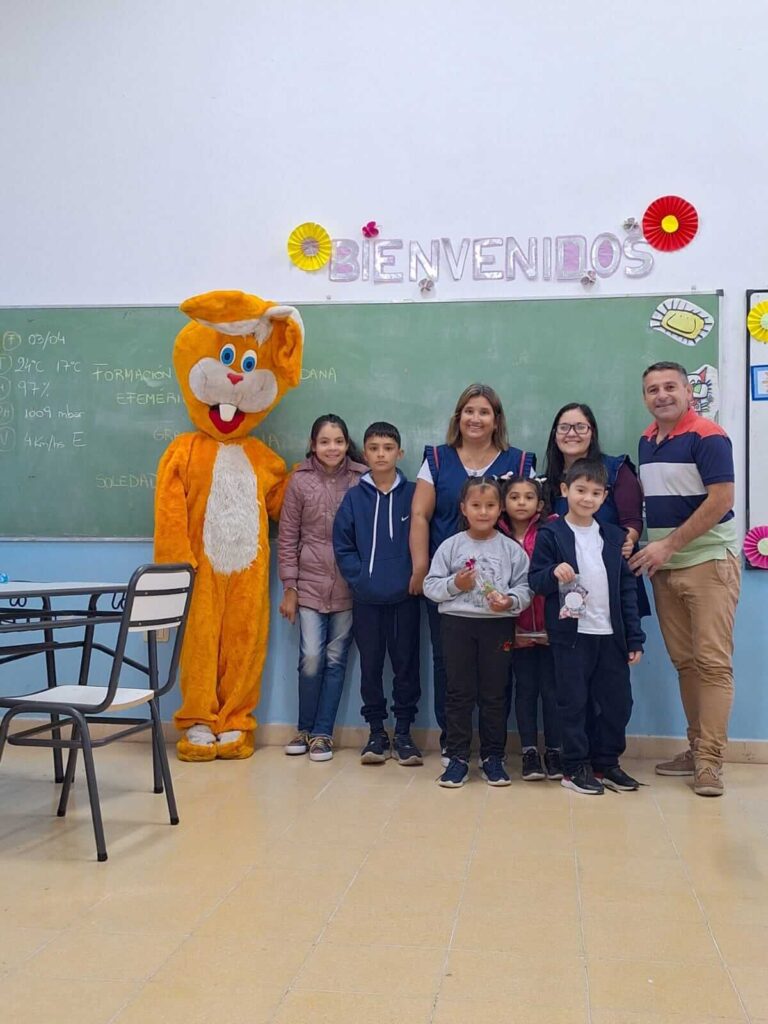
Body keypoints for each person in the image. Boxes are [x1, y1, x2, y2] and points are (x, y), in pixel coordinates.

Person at [630, 362, 740, 797]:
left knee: (713, 663)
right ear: (645, 398)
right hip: (665, 567)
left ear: (687, 391)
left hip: (708, 562)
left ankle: (711, 761)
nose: (661, 395)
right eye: (653, 389)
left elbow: (721, 501)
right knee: (687, 663)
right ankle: (696, 749)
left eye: (670, 387)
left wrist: (669, 545)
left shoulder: (708, 436)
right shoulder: (646, 441)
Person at [409, 384, 536, 764]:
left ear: (496, 420)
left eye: (484, 412)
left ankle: (492, 751)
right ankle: (454, 745)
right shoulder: (435, 458)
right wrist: (420, 566)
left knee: (496, 675)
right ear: (458, 417)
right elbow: (420, 515)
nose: (475, 418)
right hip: (448, 584)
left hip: (498, 589)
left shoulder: (520, 461)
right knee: (450, 669)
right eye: (468, 410)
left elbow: (529, 514)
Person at [529, 459, 645, 795]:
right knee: (573, 701)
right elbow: (536, 580)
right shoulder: (551, 534)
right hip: (572, 638)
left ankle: (606, 763)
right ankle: (574, 766)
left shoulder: (613, 535)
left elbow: (626, 589)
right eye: (580, 490)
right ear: (565, 490)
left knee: (617, 702)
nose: (587, 498)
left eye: (596, 493)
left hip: (611, 637)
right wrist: (553, 573)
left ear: (605, 496)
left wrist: (634, 636)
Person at [423, 476, 532, 788]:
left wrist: (509, 601)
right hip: (457, 625)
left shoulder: (511, 550)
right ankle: (457, 756)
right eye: (476, 505)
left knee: (495, 693)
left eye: (490, 505)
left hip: (497, 626)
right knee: (458, 692)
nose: (483, 512)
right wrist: (456, 584)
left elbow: (525, 587)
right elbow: (431, 587)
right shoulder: (451, 546)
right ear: (464, 508)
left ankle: (493, 757)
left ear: (500, 509)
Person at [278, 414, 367, 762]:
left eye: (339, 441)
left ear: (347, 444)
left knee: (335, 658)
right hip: (309, 586)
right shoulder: (299, 482)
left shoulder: (362, 480)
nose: (333, 448)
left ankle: (322, 734)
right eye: (325, 441)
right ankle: (303, 727)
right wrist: (290, 587)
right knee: (311, 658)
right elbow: (287, 538)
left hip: (348, 585)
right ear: (313, 445)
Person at [333, 421, 422, 766]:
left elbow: (426, 536)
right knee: (370, 666)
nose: (381, 454)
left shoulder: (414, 493)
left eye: (388, 447)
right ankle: (375, 732)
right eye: (374, 448)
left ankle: (403, 732)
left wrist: (417, 574)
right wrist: (361, 581)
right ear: (364, 454)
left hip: (406, 597)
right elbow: (343, 544)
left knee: (406, 665)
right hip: (367, 599)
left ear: (400, 453)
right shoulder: (355, 496)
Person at [541, 403, 650, 617]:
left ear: (592, 432)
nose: (571, 434)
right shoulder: (547, 482)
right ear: (555, 435)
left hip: (611, 578)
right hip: (567, 584)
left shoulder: (617, 470)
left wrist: (626, 541)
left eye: (580, 427)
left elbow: (633, 521)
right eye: (564, 428)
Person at [496, 475, 562, 781]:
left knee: (552, 691)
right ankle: (529, 752)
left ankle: (554, 750)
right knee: (524, 690)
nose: (521, 503)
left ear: (540, 502)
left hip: (551, 630)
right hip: (514, 630)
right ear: (503, 502)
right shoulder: (496, 536)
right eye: (514, 497)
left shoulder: (552, 532)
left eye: (528, 497)